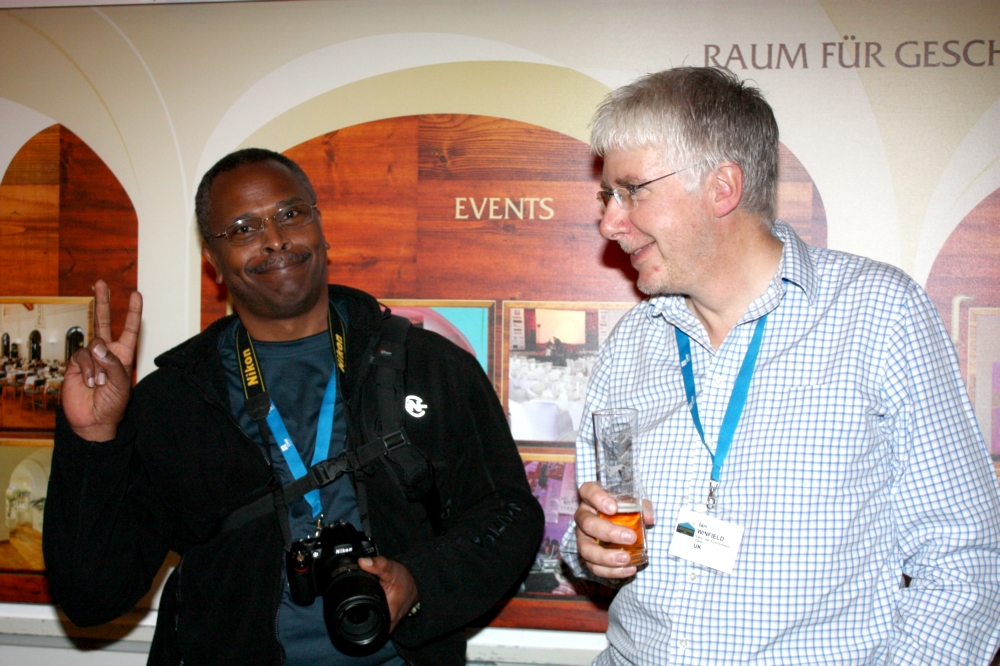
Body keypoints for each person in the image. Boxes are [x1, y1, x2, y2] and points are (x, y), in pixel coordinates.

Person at [560, 67, 1000, 665]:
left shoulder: (878, 315)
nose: (610, 222)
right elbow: (596, 530)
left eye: (632, 190)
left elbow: (966, 560)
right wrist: (592, 547)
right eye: (607, 196)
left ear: (722, 187)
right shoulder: (633, 341)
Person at [43, 148, 543, 665]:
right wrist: (92, 440)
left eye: (290, 214)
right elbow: (91, 597)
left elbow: (508, 514)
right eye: (243, 228)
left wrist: (420, 581)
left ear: (321, 229)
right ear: (212, 259)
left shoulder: (430, 365)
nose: (274, 239)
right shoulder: (175, 401)